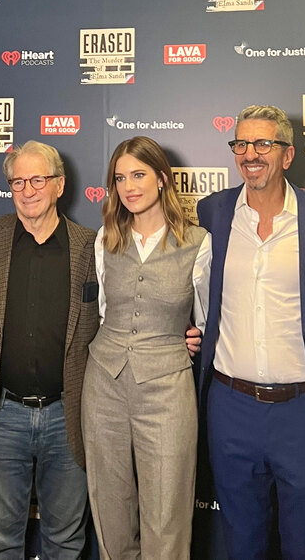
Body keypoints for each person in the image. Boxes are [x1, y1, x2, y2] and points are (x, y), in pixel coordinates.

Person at [195, 105, 305, 559]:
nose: (250, 154)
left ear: (287, 154)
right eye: (241, 144)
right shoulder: (212, 212)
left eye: (263, 144)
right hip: (230, 406)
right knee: (241, 540)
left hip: (303, 410)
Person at [0, 141, 98, 559]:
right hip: (0, 415)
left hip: (68, 416)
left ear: (59, 185)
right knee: (0, 544)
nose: (27, 190)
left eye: (37, 179)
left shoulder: (90, 248)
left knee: (65, 540)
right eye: (18, 181)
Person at [82, 135, 210, 559]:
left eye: (139, 175)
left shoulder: (198, 242)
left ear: (162, 179)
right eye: (120, 178)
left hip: (168, 388)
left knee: (167, 515)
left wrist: (195, 336)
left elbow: (208, 321)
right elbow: (103, 313)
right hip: (104, 384)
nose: (129, 186)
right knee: (110, 510)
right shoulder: (105, 239)